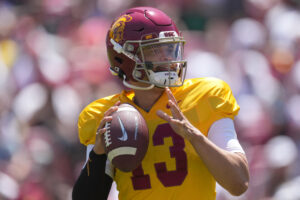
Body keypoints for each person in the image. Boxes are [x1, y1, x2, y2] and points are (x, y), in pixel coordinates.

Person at [72, 6, 249, 200]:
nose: (169, 59)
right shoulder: (107, 115)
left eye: (170, 48)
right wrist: (98, 154)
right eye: (156, 50)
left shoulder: (204, 96)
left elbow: (239, 183)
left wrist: (194, 136)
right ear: (124, 58)